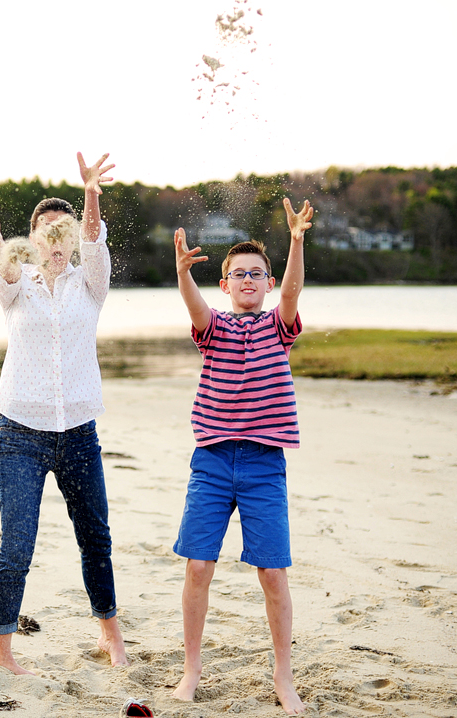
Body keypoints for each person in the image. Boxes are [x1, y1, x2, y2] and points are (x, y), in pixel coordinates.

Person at [0, 152, 129, 675]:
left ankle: (110, 631)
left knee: (95, 537)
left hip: (79, 432)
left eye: (65, 232)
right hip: (19, 433)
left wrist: (89, 196)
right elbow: (2, 272)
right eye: (46, 233)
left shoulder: (91, 283)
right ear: (34, 242)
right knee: (17, 544)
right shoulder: (17, 286)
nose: (56, 242)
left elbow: (94, 237)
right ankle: (2, 649)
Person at [170, 198, 314, 715]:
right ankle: (191, 669)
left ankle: (282, 673)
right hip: (210, 462)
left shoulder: (279, 326)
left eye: (257, 273)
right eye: (238, 274)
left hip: (263, 465)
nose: (248, 280)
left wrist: (296, 241)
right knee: (198, 567)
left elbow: (295, 292)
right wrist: (183, 273)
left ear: (268, 283)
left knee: (273, 572)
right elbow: (194, 306)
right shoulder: (214, 328)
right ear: (225, 284)